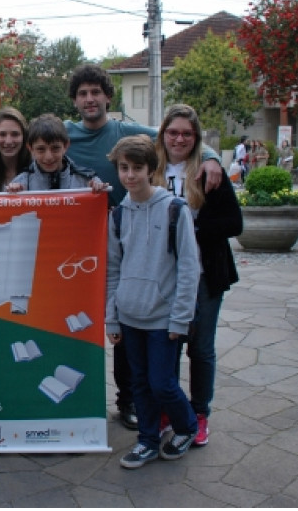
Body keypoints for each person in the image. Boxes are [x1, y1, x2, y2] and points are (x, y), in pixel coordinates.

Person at [63, 63, 223, 431]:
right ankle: (110, 404)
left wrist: (212, 155)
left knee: (139, 336)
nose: (90, 99)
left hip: (135, 238)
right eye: (83, 93)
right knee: (102, 328)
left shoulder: (127, 132)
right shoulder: (66, 133)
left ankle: (134, 403)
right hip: (84, 244)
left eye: (96, 92)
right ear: (74, 99)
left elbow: (177, 137)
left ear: (107, 96)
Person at [105, 134, 200, 469]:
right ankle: (146, 440)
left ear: (151, 168)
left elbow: (189, 267)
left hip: (163, 318)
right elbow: (112, 270)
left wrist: (180, 318)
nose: (130, 175)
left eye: (137, 168)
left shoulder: (176, 209)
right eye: (124, 168)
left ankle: (187, 426)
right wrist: (111, 318)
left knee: (162, 383)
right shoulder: (117, 216)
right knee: (139, 384)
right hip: (130, 316)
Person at [152, 104, 242, 447]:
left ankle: (200, 412)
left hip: (205, 275)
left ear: (196, 139)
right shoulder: (152, 171)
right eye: (173, 132)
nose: (179, 138)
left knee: (201, 348)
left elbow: (235, 223)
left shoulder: (208, 173)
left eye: (186, 134)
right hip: (163, 277)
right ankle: (169, 411)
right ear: (163, 134)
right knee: (168, 346)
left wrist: (189, 229)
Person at [6, 114, 105, 193]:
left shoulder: (87, 181)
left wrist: (98, 190)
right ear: (30, 149)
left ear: (66, 146)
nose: (48, 157)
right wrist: (13, 195)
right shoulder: (21, 184)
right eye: (41, 149)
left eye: (55, 148)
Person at [0, 107, 31, 189]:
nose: (8, 141)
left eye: (15, 134)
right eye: (2, 134)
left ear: (24, 136)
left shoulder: (37, 172)